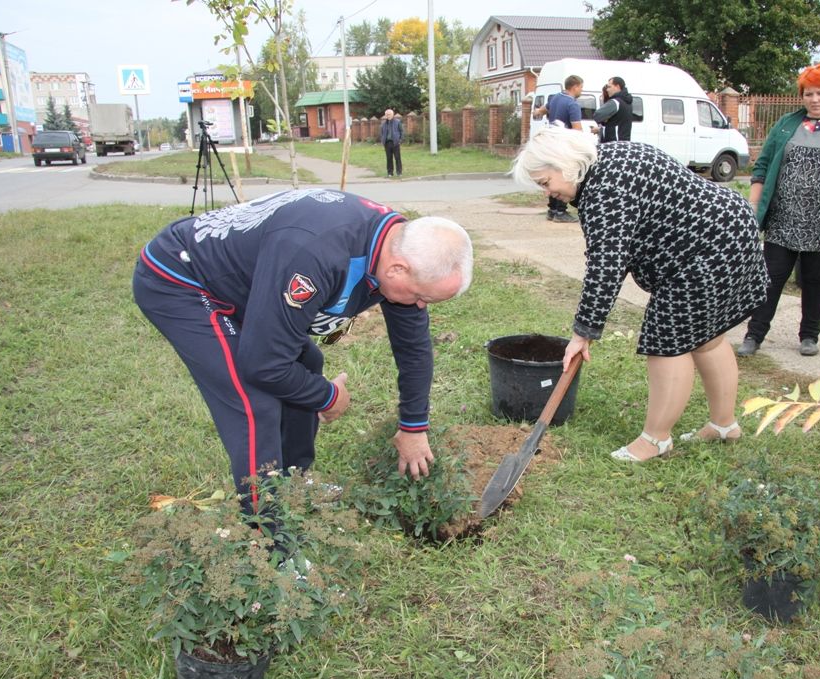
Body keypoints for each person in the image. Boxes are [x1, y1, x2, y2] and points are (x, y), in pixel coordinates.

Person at [133, 189, 474, 511]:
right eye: (420, 297)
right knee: (254, 401)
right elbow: (263, 364)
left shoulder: (400, 247)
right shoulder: (316, 254)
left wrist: (414, 426)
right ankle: (268, 540)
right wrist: (327, 397)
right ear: (397, 268)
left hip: (248, 278)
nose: (418, 306)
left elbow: (413, 348)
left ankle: (294, 483)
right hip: (182, 278)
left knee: (307, 362)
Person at [511, 127, 769, 461]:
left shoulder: (605, 190)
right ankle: (723, 425)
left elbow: (606, 266)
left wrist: (583, 332)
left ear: (566, 163)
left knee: (666, 341)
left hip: (706, 250)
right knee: (709, 337)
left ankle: (655, 439)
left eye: (546, 183)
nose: (548, 193)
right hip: (732, 228)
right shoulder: (611, 158)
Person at [737, 64, 820, 359]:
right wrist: (753, 205)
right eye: (808, 93)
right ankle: (754, 334)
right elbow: (762, 166)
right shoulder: (787, 124)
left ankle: (809, 335)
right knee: (769, 278)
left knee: (816, 280)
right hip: (782, 218)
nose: (814, 99)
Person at [532, 75, 584, 222]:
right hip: (565, 147)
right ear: (575, 86)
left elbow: (540, 112)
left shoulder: (555, 98)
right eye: (581, 87)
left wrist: (537, 113)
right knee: (565, 178)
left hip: (551, 144)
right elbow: (577, 130)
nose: (581, 90)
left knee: (552, 176)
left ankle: (552, 210)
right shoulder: (572, 104)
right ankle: (561, 212)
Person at [592, 76, 633, 142]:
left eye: (609, 87)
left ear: (617, 86)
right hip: (623, 143)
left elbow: (597, 116)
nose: (607, 90)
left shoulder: (615, 102)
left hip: (612, 144)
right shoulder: (627, 102)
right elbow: (617, 123)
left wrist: (605, 120)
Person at [380, 109, 403, 177]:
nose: (388, 116)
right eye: (386, 114)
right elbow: (382, 133)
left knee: (397, 158)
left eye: (389, 114)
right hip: (387, 143)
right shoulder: (383, 123)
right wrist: (383, 140)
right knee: (389, 158)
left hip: (395, 142)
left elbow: (401, 131)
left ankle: (399, 172)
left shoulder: (397, 122)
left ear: (392, 114)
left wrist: (400, 140)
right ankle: (390, 173)